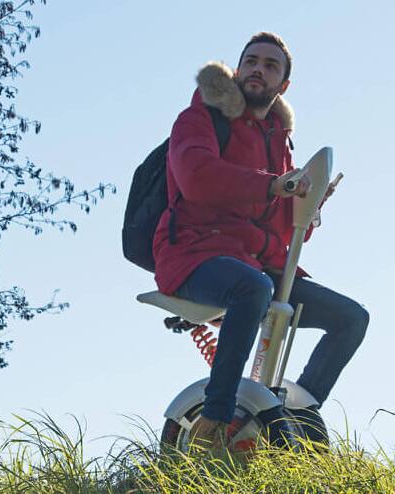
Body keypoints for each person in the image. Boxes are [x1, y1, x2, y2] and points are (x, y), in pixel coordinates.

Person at [153, 32, 369, 452]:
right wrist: (273, 186)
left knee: (351, 319)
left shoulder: (278, 139)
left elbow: (285, 229)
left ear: (283, 85)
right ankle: (215, 419)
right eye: (251, 61)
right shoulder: (199, 118)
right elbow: (196, 178)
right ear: (237, 70)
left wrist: (307, 209)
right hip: (195, 253)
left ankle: (294, 417)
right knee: (252, 287)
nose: (258, 69)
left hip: (257, 263)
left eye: (271, 66)